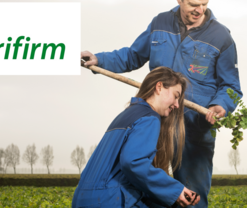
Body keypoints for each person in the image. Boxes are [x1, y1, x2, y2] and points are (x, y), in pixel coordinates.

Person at [81, 0, 241, 207]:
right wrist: (100, 60)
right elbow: (133, 55)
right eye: (194, 4)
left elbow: (231, 87)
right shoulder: (160, 23)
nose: (199, 10)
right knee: (149, 186)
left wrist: (220, 105)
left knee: (192, 194)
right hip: (157, 122)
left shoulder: (221, 36)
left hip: (194, 128)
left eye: (204, 4)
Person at [72, 67, 200, 207]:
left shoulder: (126, 115)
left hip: (82, 198)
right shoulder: (149, 118)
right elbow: (133, 162)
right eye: (176, 96)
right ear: (159, 87)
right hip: (108, 200)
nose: (176, 104)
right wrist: (175, 190)